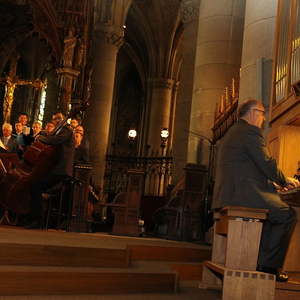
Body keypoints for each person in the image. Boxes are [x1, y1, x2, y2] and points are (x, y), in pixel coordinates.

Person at [212, 99, 299, 282]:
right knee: (286, 213)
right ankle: (268, 266)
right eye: (262, 113)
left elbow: (249, 167)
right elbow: (266, 162)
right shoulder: (250, 131)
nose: (263, 118)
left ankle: (261, 262)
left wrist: (274, 184)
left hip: (232, 192)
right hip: (242, 194)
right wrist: (284, 181)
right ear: (252, 112)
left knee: (272, 213)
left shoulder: (234, 132)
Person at [26, 112, 75, 229]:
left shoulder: (67, 130)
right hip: (56, 169)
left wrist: (41, 137)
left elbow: (55, 140)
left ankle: (37, 220)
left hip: (61, 171)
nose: (57, 121)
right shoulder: (60, 130)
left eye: (59, 119)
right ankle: (32, 218)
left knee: (35, 186)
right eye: (54, 120)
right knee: (34, 184)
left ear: (63, 119)